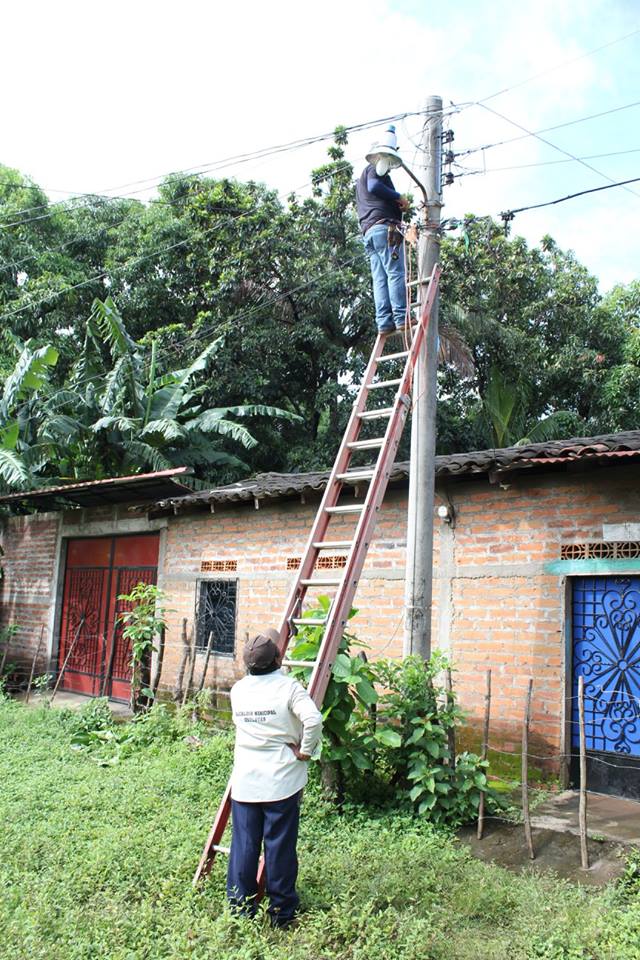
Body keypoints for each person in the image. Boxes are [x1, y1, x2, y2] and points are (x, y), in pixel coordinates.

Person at [227, 628, 323, 928]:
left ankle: (241, 909)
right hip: (281, 782)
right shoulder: (288, 688)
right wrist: (305, 751)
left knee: (244, 846)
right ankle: (281, 912)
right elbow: (313, 719)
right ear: (278, 658)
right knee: (279, 846)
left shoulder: (238, 690)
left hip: (246, 782)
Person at [355, 131, 410, 334]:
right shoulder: (373, 170)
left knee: (380, 278)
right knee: (395, 273)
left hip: (369, 233)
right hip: (384, 229)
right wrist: (399, 196)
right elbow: (375, 185)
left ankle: (384, 322)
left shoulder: (365, 176)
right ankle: (401, 316)